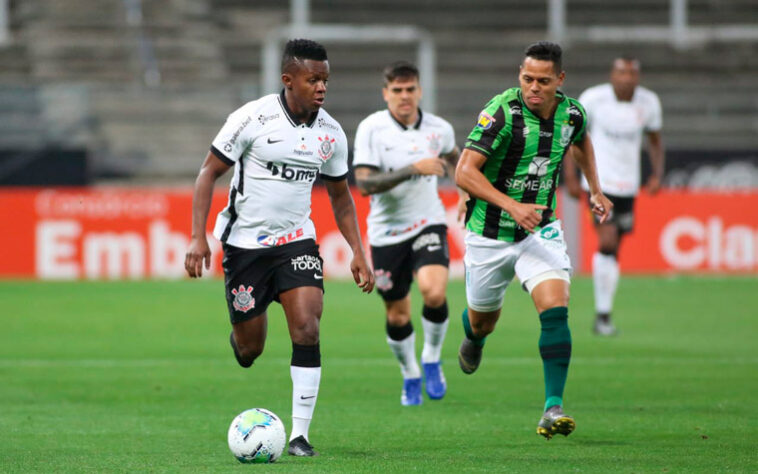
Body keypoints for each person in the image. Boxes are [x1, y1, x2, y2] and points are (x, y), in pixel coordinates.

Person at [184, 39, 375, 457]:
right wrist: (198, 237)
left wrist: (359, 251)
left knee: (307, 327)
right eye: (313, 79)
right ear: (288, 80)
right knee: (251, 349)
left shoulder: (331, 133)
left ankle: (299, 435)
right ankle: (241, 338)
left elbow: (341, 198)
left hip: (296, 241)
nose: (321, 87)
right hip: (244, 247)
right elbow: (207, 173)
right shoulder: (252, 118)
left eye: (325, 79)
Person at [454, 41, 613, 440]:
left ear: (560, 80)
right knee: (482, 320)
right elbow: (464, 171)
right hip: (490, 235)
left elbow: (581, 142)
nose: (534, 87)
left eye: (543, 80)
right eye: (527, 79)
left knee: (555, 306)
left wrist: (596, 189)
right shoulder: (502, 112)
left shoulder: (572, 113)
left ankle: (551, 406)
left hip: (540, 230)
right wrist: (512, 206)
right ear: (519, 76)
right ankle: (473, 338)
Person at [352, 61, 464, 406]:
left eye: (410, 89)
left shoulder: (438, 129)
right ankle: (410, 371)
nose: (404, 96)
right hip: (386, 233)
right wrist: (412, 169)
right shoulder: (371, 128)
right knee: (397, 315)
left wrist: (465, 190)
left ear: (419, 91)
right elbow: (365, 183)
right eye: (397, 90)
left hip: (427, 222)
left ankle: (431, 356)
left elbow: (459, 159)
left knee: (433, 292)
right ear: (386, 93)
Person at [563, 56, 665, 336]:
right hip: (598, 184)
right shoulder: (593, 99)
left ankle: (603, 314)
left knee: (614, 248)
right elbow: (573, 138)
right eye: (621, 72)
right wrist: (571, 177)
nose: (626, 78)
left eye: (631, 73)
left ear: (638, 76)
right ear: (612, 74)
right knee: (607, 241)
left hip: (627, 186)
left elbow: (655, 141)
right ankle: (603, 315)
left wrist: (656, 174)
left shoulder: (649, 103)